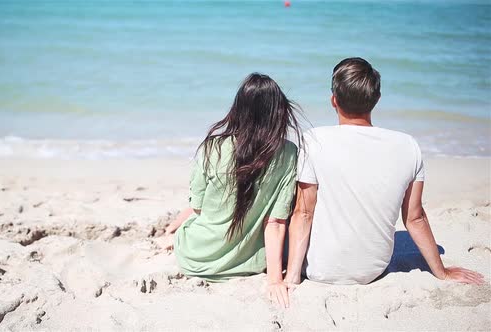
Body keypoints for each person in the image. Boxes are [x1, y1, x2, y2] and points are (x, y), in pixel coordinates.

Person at [283, 58, 484, 298]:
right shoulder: (408, 145)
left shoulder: (314, 140)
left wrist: (292, 278)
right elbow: (415, 218)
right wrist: (441, 272)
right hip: (374, 270)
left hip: (318, 269)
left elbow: (304, 213)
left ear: (333, 100)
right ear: (376, 100)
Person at [157, 73, 303, 306]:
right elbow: (274, 223)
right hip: (248, 265)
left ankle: (172, 235)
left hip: (196, 258)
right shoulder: (287, 154)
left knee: (184, 225)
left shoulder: (212, 147)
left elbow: (198, 209)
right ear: (278, 112)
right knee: (180, 224)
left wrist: (176, 232)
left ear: (238, 109)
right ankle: (173, 231)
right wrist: (275, 280)